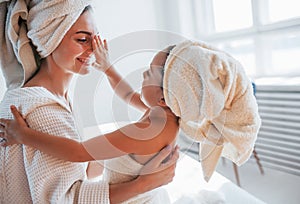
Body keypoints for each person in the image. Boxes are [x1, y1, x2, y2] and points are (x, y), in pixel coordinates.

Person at [1, 39, 262, 201]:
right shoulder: (166, 113)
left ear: (164, 97)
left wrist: (24, 135)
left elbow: (79, 152)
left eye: (149, 73)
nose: (143, 73)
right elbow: (128, 94)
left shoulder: (149, 128)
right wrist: (106, 67)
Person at [0, 1, 178, 204]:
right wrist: (145, 184)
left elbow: (78, 165)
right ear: (50, 39)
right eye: (83, 39)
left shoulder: (53, 97)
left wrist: (135, 162)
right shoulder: (43, 110)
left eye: (95, 39)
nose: (94, 49)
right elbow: (68, 197)